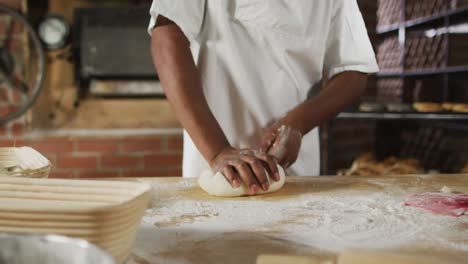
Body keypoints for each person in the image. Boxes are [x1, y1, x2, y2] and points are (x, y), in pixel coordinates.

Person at [149, 0, 379, 195]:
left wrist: (296, 124)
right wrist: (218, 151)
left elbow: (353, 72)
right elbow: (167, 35)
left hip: (292, 166)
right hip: (213, 162)